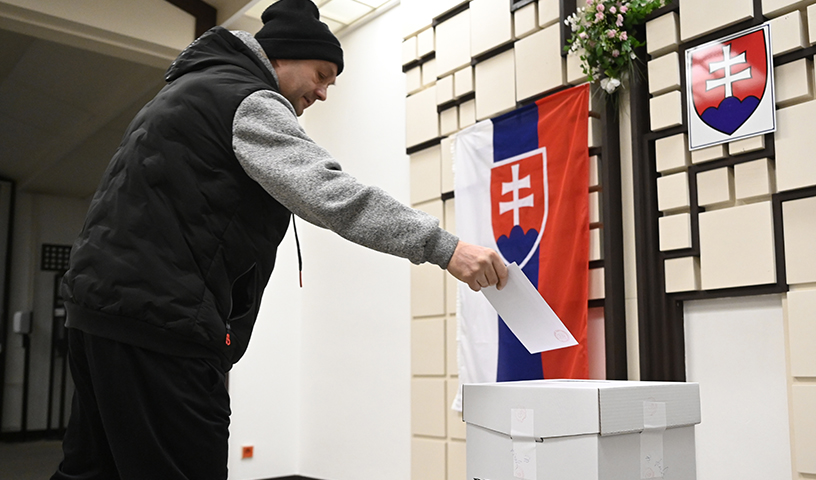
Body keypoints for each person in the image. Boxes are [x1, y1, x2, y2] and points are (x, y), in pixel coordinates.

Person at [51, 0, 507, 478]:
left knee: (91, 471)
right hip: (161, 325)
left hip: (96, 313)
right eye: (321, 74)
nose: (323, 92)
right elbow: (331, 193)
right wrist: (445, 247)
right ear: (282, 56)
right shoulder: (247, 100)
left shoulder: (185, 92)